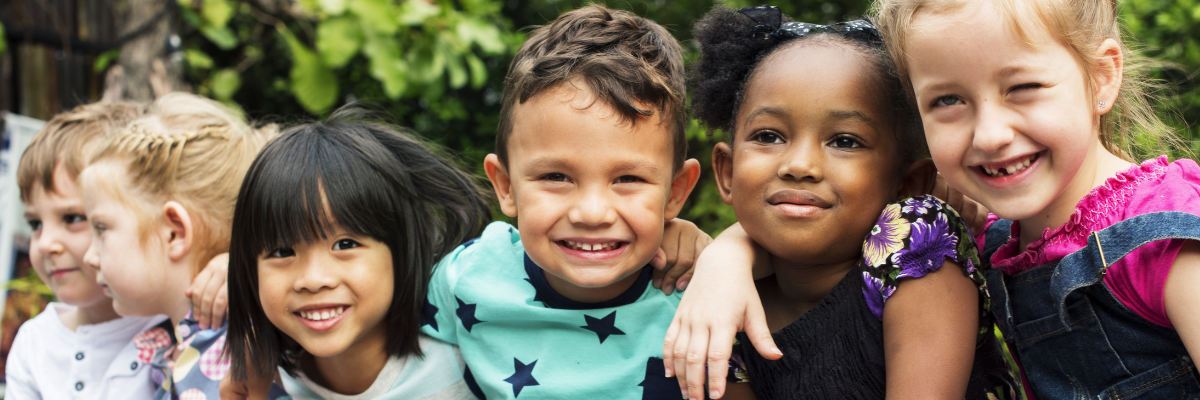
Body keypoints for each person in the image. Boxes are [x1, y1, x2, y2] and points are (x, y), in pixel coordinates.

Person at [661, 6, 1015, 400]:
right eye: (769, 136)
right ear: (727, 173)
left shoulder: (915, 235)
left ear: (907, 182)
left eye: (845, 141)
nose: (799, 165)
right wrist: (722, 259)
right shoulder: (719, 301)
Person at [872, 0, 1200, 397]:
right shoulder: (983, 239)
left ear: (1101, 78)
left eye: (1023, 87)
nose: (990, 135)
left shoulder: (1167, 238)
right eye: (947, 100)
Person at [418, 5, 708, 399]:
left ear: (676, 192)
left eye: (628, 179)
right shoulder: (464, 278)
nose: (591, 213)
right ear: (505, 186)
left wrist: (730, 257)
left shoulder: (701, 295)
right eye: (556, 177)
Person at [222, 109, 489, 399]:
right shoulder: (266, 385)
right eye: (283, 251)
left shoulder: (471, 349)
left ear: (401, 249)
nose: (313, 280)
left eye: (345, 244)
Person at [7, 100, 232, 399]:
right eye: (35, 223)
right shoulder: (34, 344)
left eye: (74, 218)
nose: (46, 243)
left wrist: (237, 268)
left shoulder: (181, 320)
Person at [77, 93, 275, 400]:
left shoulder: (254, 344)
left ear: (175, 233)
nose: (89, 256)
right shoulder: (169, 344)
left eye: (102, 229)